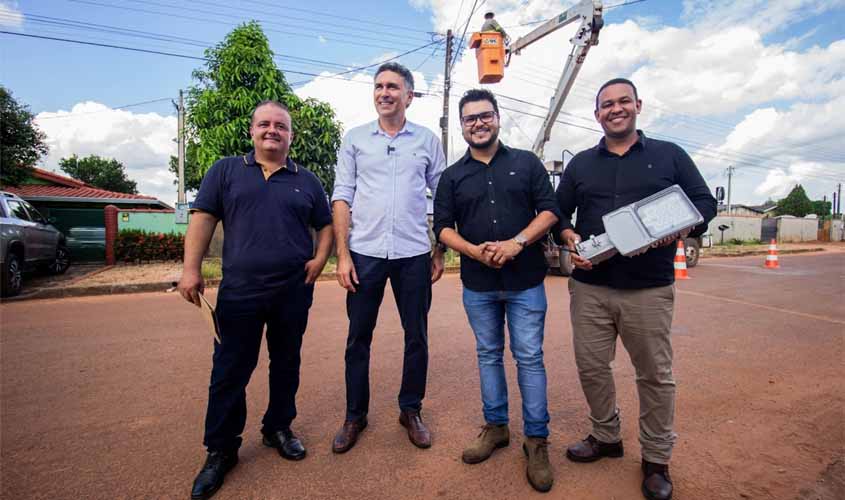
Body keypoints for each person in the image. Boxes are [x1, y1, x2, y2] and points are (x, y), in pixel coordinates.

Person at [555, 78, 716, 500]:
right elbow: (557, 211)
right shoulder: (581, 165)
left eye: (623, 101)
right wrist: (570, 237)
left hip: (648, 288)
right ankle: (606, 437)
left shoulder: (669, 156)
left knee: (655, 376)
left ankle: (656, 460)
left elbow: (704, 203)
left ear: (638, 105)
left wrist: (678, 229)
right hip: (590, 286)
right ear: (597, 115)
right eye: (606, 104)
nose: (615, 109)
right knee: (592, 368)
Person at [178, 100, 334, 500]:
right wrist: (191, 270)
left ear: (290, 136)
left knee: (286, 363)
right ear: (252, 131)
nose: (272, 131)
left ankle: (278, 427)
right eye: (264, 124)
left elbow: (325, 225)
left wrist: (320, 258)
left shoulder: (308, 180)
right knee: (230, 369)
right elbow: (202, 218)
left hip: (293, 290)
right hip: (240, 290)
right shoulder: (226, 170)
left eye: (280, 126)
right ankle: (221, 449)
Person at [433, 89, 559, 493]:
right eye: (470, 119)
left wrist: (516, 243)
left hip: (525, 282)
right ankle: (497, 427)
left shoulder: (526, 163)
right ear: (463, 125)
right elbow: (442, 226)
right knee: (488, 355)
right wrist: (473, 251)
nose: (478, 123)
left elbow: (550, 210)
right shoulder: (453, 176)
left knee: (529, 358)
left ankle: (536, 441)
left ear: (498, 117)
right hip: (479, 285)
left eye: (484, 116)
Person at [330, 62, 447, 453]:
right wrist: (342, 256)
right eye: (379, 86)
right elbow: (342, 196)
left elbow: (444, 196)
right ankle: (354, 415)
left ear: (409, 96)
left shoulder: (427, 140)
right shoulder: (356, 139)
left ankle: (410, 410)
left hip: (413, 253)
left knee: (417, 336)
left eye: (393, 87)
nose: (384, 93)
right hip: (364, 254)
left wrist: (439, 248)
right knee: (358, 337)